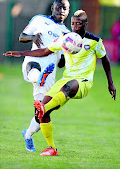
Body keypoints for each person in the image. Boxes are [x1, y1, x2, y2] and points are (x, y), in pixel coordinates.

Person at [4, 10, 116, 156]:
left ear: (85, 24)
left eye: (79, 24)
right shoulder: (65, 38)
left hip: (83, 82)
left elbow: (105, 60)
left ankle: (45, 107)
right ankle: (51, 148)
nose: (75, 27)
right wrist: (20, 53)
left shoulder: (95, 41)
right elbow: (44, 51)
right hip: (66, 79)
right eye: (73, 24)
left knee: (64, 91)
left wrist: (111, 83)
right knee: (42, 112)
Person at [7, 0, 70, 152]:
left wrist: (67, 54)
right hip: (33, 60)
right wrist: (33, 37)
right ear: (52, 8)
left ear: (68, 12)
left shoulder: (67, 35)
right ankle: (39, 76)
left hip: (51, 73)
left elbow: (61, 63)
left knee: (42, 111)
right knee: (33, 70)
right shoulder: (39, 20)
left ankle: (28, 134)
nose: (61, 11)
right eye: (58, 7)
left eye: (64, 9)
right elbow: (22, 36)